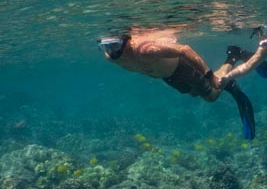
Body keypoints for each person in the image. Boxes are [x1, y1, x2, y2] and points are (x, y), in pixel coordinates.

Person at [98, 32, 257, 139]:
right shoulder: (111, 57)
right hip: (168, 76)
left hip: (182, 67)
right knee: (194, 93)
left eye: (115, 45)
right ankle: (225, 78)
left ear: (127, 42)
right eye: (107, 47)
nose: (112, 51)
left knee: (212, 96)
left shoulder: (145, 50)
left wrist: (210, 77)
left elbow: (184, 49)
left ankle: (233, 56)